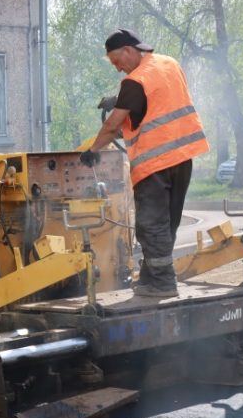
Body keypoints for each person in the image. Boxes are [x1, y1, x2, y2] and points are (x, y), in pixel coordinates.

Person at [79, 29, 210, 298]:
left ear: (128, 50)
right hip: (183, 157)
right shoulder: (169, 64)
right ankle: (152, 277)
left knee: (151, 225)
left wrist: (93, 150)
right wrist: (124, 103)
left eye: (117, 62)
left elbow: (112, 125)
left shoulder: (134, 81)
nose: (119, 70)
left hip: (155, 163)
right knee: (167, 223)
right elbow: (159, 103)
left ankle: (163, 283)